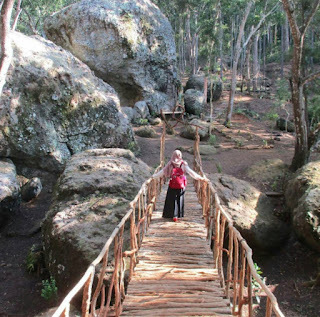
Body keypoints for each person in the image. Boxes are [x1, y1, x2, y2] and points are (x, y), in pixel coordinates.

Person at [152, 149, 207, 222]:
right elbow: (191, 172)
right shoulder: (183, 164)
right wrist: (200, 178)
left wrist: (154, 176)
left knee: (171, 199)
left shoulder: (170, 164)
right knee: (179, 199)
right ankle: (178, 214)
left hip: (172, 184)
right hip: (181, 185)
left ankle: (169, 214)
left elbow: (162, 172)